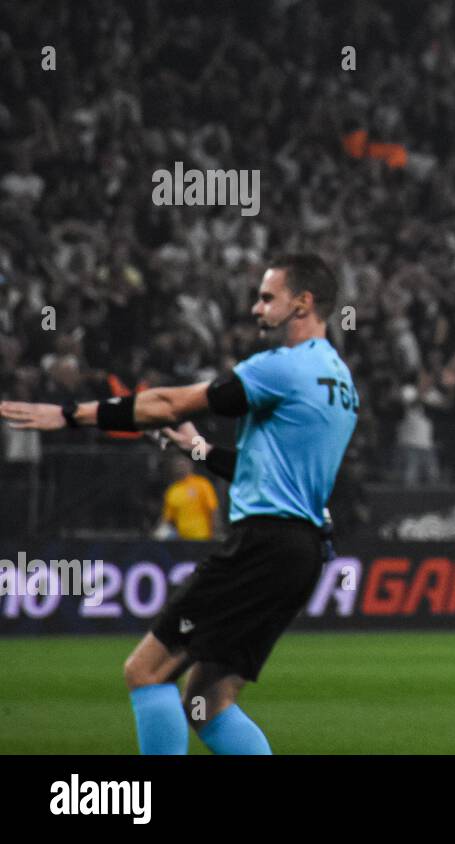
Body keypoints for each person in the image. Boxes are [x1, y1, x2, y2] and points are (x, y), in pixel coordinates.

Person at [1, 254, 357, 753]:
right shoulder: (340, 381)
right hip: (303, 552)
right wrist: (199, 450)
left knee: (146, 672)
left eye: (267, 297)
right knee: (208, 703)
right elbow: (270, 468)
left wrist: (72, 414)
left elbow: (168, 405)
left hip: (265, 544)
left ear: (303, 302)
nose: (256, 308)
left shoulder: (281, 367)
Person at [157, 453, 219, 541]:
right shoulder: (173, 490)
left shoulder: (202, 483)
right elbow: (168, 517)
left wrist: (215, 531)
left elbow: (213, 508)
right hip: (181, 539)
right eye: (178, 465)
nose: (181, 468)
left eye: (183, 464)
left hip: (202, 537)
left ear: (190, 465)